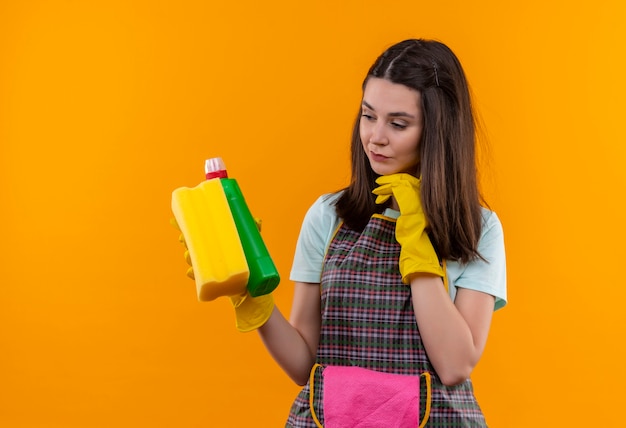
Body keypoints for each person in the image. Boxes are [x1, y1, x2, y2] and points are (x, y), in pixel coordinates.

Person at [207, 39, 506, 427]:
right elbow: (305, 365)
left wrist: (416, 240)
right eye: (368, 116)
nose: (375, 137)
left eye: (398, 123)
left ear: (439, 131)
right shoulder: (328, 216)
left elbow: (454, 365)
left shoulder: (477, 228)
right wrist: (252, 298)